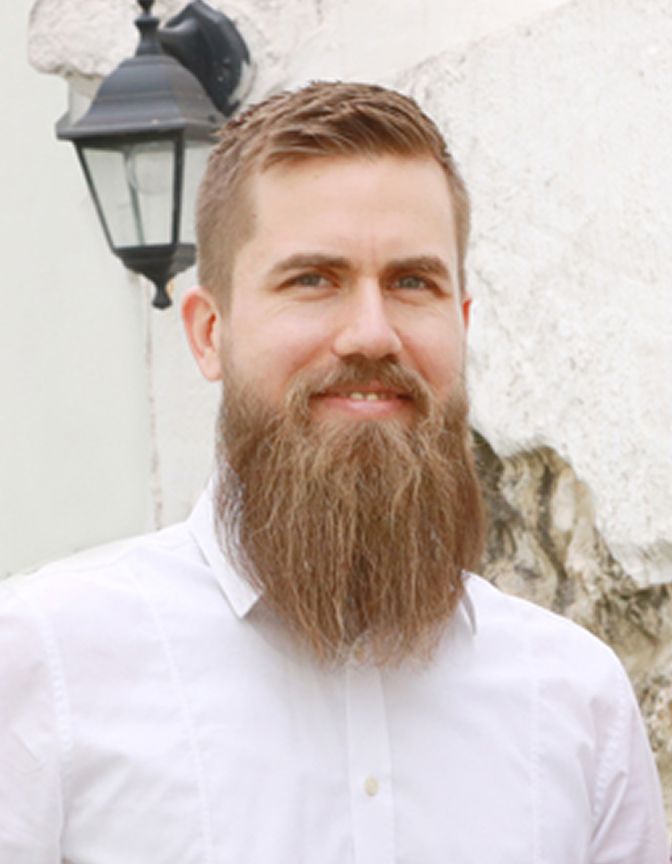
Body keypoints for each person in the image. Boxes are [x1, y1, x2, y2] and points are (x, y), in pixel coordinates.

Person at [0, 82, 667, 863]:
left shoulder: (577, 701)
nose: (371, 334)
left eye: (412, 282)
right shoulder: (48, 663)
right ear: (209, 333)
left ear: (461, 325)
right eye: (313, 279)